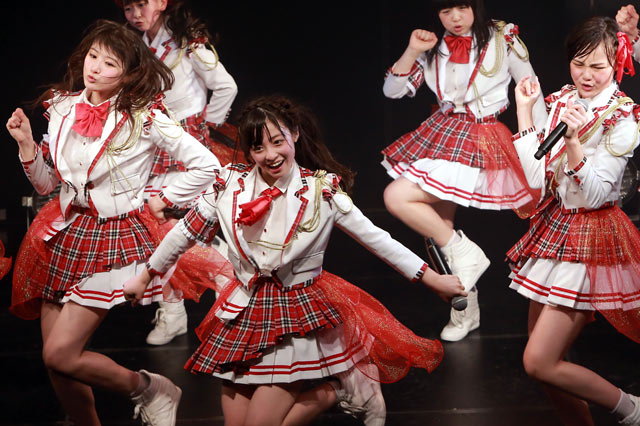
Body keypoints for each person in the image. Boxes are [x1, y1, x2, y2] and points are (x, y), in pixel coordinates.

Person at [124, 95, 466, 426]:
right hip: (243, 310)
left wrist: (432, 278)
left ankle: (338, 390)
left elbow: (378, 240)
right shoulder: (227, 186)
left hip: (295, 312)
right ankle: (343, 387)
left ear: (295, 135)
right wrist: (146, 276)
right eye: (259, 147)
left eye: (278, 142)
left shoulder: (322, 192)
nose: (271, 155)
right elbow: (183, 234)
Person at [6, 20, 220, 426]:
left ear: (127, 73)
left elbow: (207, 165)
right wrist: (27, 146)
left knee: (60, 353)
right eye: (93, 57)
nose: (96, 68)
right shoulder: (62, 108)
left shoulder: (144, 116)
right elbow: (49, 184)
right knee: (57, 364)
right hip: (64, 232)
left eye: (109, 63)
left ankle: (150, 388)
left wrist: (165, 198)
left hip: (112, 235)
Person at [381, 0, 546, 342]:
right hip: (442, 130)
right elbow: (392, 91)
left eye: (461, 8)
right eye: (445, 11)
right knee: (439, 228)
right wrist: (413, 50)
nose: (454, 18)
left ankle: (467, 255)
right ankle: (465, 310)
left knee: (399, 198)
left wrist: (543, 146)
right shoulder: (432, 43)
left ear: (475, 6)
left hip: (481, 134)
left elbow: (532, 88)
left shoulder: (503, 38)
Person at [509, 16, 640, 425]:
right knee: (547, 366)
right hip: (557, 228)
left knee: (539, 361)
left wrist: (572, 143)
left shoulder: (623, 119)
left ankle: (631, 408)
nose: (586, 75)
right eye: (578, 63)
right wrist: (525, 111)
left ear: (617, 65)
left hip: (593, 233)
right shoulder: (564, 99)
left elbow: (598, 194)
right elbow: (536, 179)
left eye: (597, 66)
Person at [117, 0, 239, 346]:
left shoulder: (188, 41)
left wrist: (206, 124)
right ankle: (172, 312)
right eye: (128, 8)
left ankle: (229, 289)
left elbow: (226, 86)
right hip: (154, 144)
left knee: (185, 228)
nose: (135, 14)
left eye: (141, 4)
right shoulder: (135, 44)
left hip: (188, 147)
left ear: (161, 2)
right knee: (154, 229)